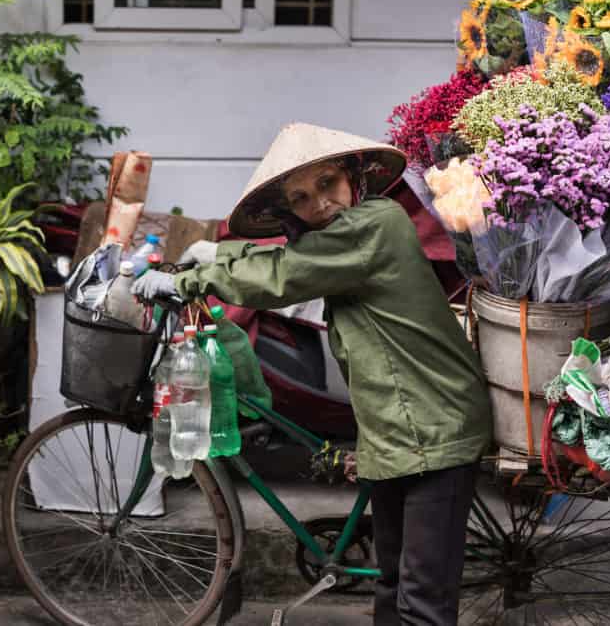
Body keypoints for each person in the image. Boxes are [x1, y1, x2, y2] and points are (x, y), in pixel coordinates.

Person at [132, 123, 492, 625]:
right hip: (398, 432)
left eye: (327, 183)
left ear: (354, 176)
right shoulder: (341, 239)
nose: (319, 203)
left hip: (435, 427)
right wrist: (223, 253)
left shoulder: (378, 223)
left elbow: (285, 274)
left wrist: (194, 277)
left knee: (422, 604)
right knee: (391, 586)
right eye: (300, 198)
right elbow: (296, 258)